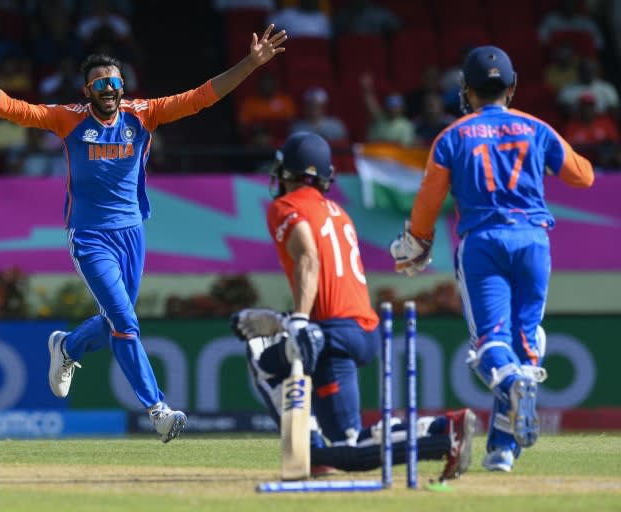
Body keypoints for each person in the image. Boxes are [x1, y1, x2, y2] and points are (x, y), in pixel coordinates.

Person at [0, 26, 287, 443]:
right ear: (88, 90)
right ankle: (158, 410)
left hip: (133, 233)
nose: (109, 88)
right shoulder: (70, 119)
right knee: (125, 321)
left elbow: (202, 96)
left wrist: (251, 63)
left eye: (115, 82)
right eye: (101, 83)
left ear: (123, 87)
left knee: (116, 323)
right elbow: (13, 109)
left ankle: (66, 348)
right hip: (89, 237)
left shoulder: (143, 114)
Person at [389, 46, 594, 472]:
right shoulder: (536, 128)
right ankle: (502, 449)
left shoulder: (453, 136)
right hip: (534, 241)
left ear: (466, 89)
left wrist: (418, 240)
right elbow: (583, 176)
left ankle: (515, 383)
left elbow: (429, 198)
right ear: (513, 86)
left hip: (483, 244)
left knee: (491, 344)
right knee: (526, 340)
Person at [231, 131, 476, 480]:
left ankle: (436, 436)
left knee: (264, 360)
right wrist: (282, 320)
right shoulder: (338, 212)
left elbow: (309, 259)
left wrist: (296, 321)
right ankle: (431, 429)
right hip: (355, 328)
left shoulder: (286, 206)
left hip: (331, 332)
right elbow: (329, 280)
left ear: (289, 171)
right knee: (350, 437)